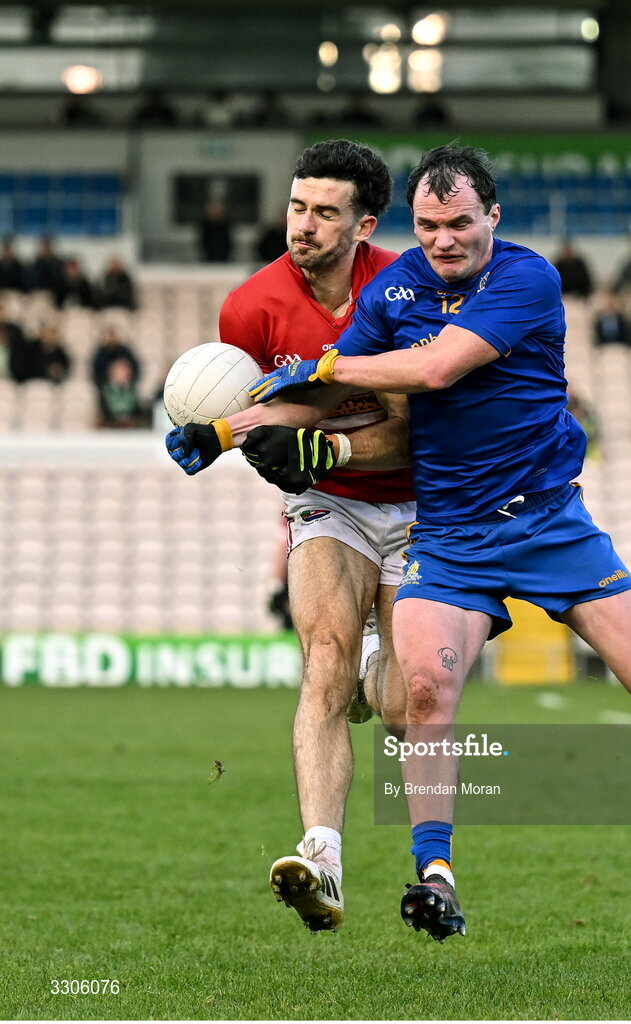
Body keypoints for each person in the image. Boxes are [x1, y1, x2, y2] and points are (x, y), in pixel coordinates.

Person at [166, 144, 631, 942]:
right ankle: (433, 876)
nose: (444, 240)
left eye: (460, 223)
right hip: (447, 535)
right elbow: (330, 392)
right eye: (430, 224)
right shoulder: (396, 286)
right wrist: (227, 430)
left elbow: (435, 371)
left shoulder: (527, 278)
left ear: (493, 218)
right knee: (425, 697)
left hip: (549, 525)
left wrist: (327, 386)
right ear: (413, 224)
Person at [171, 140, 415, 934]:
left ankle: (381, 656)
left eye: (324, 212)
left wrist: (324, 441)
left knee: (405, 703)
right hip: (331, 506)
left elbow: (422, 433)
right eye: (296, 206)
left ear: (365, 223)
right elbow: (275, 423)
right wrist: (225, 433)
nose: (302, 225)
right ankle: (323, 859)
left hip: (423, 502)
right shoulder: (249, 307)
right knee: (323, 663)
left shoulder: (407, 290)